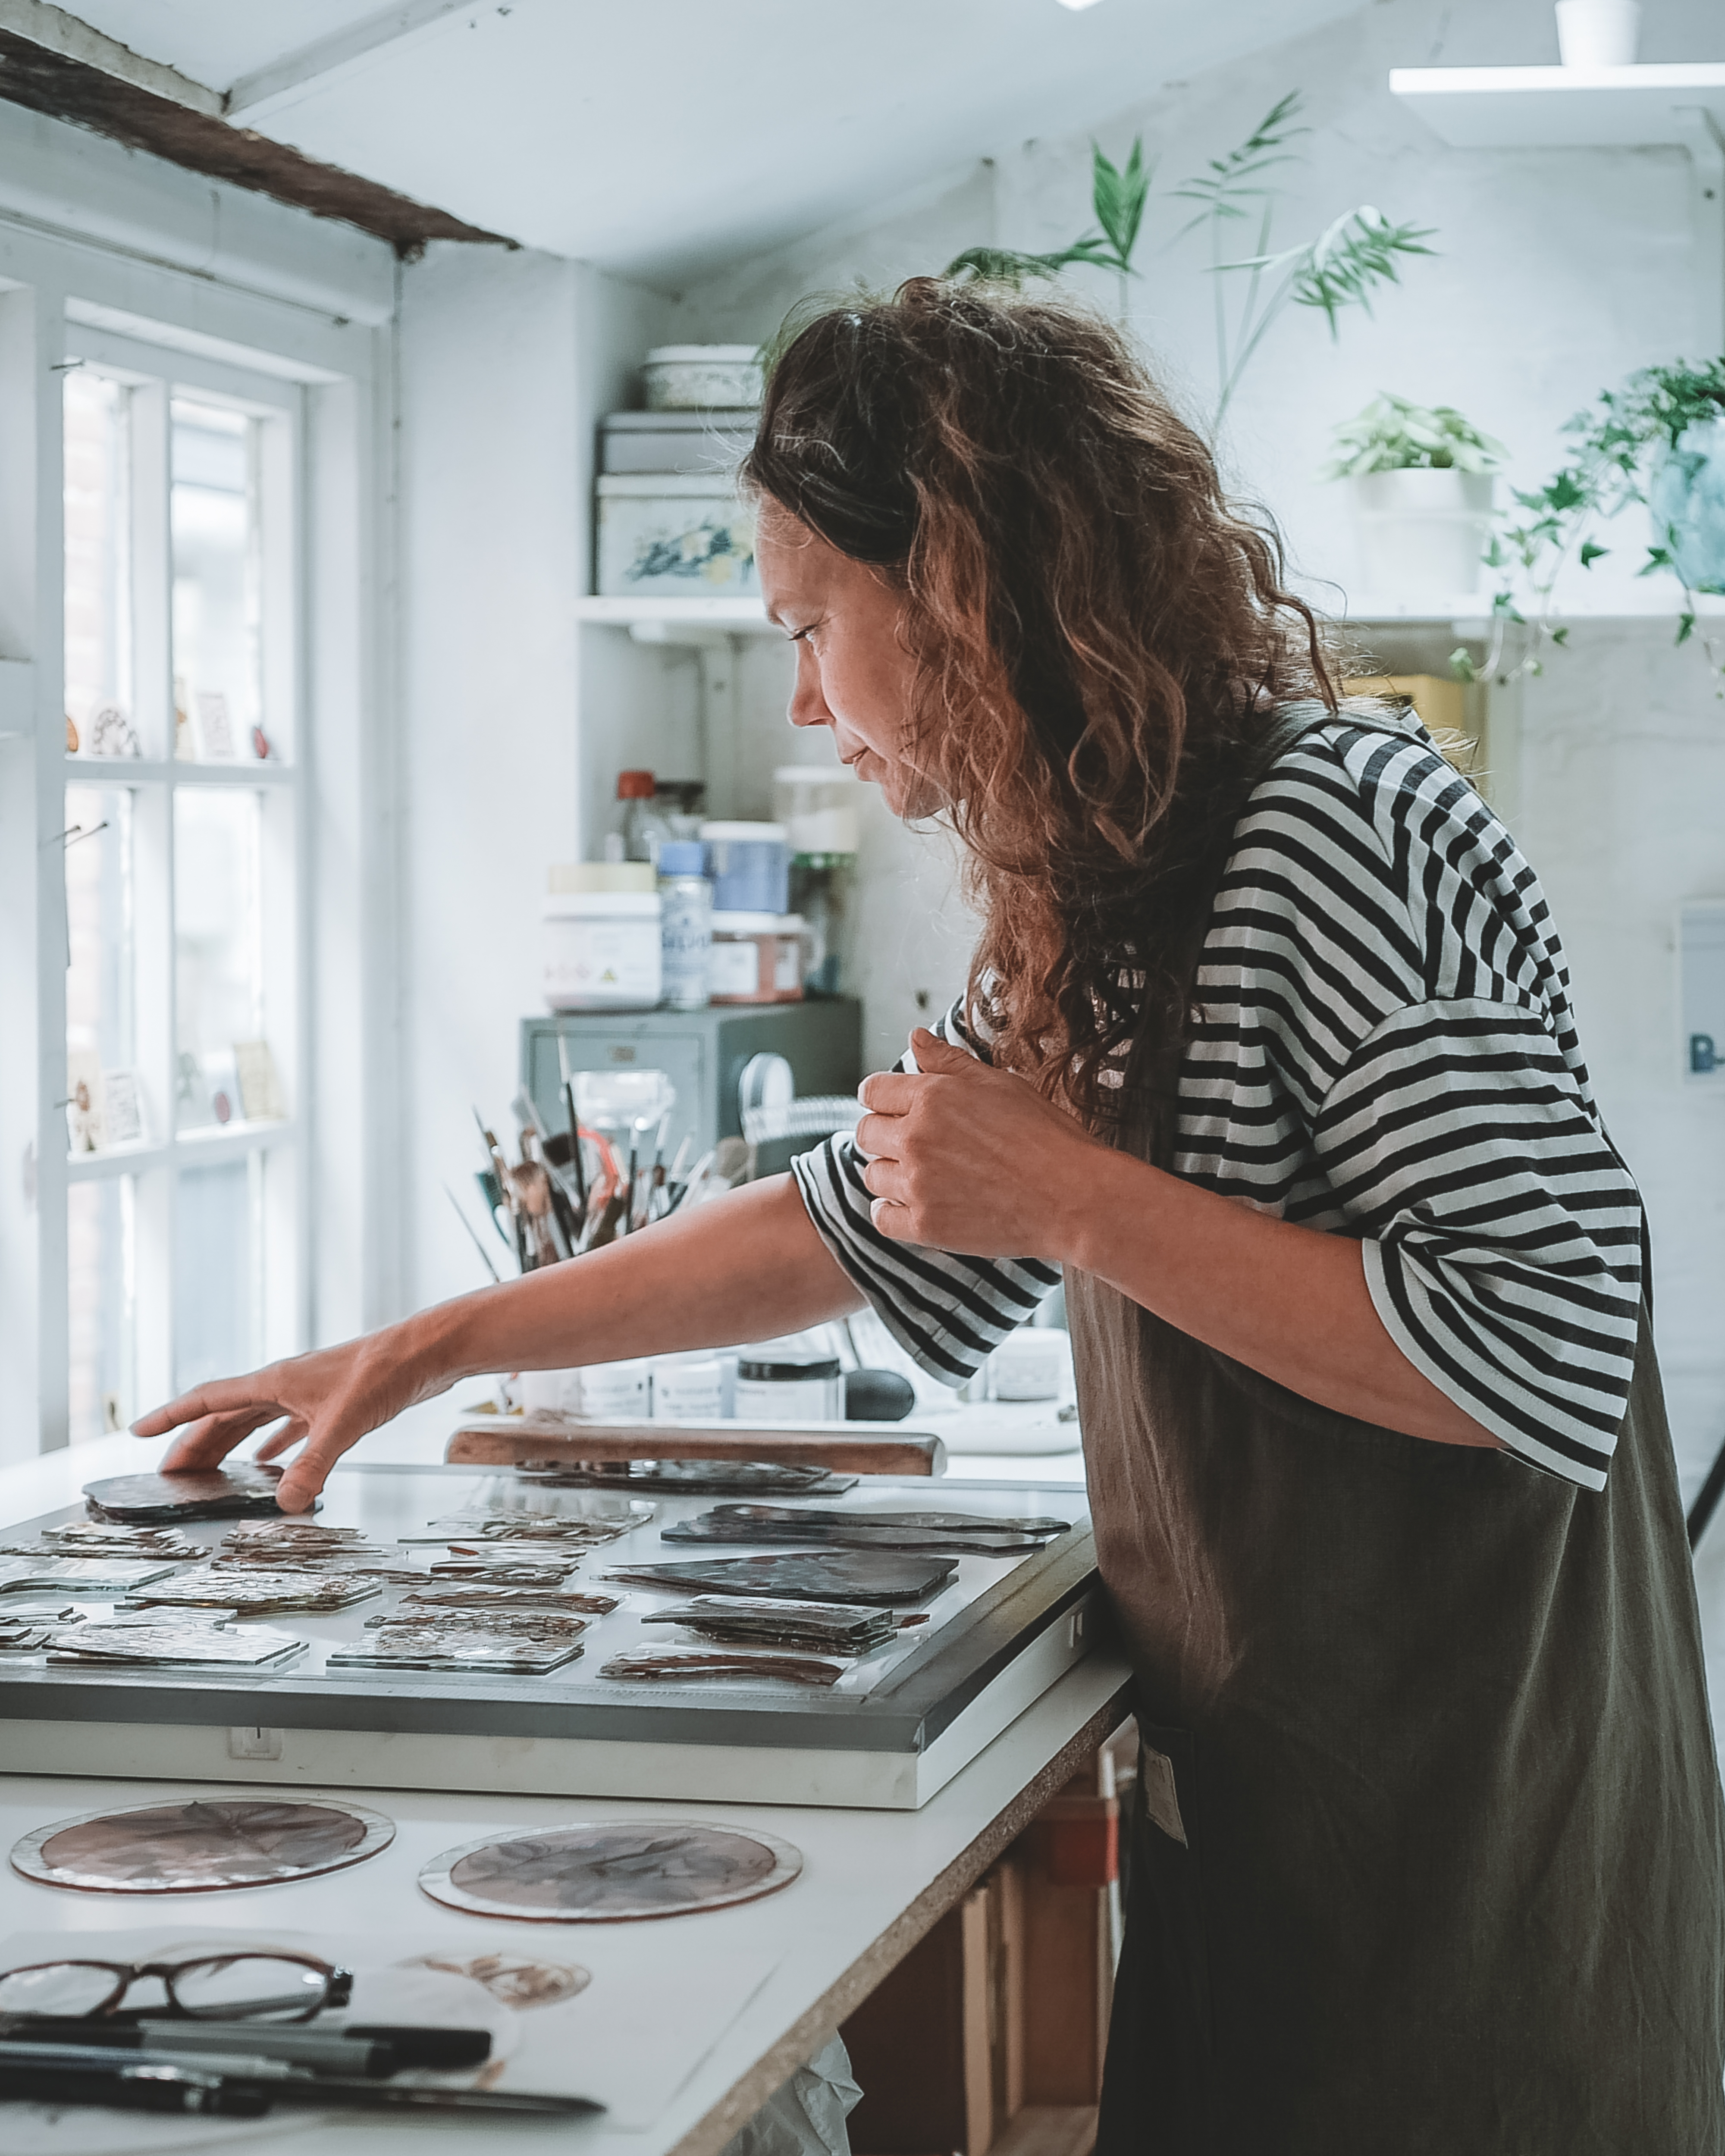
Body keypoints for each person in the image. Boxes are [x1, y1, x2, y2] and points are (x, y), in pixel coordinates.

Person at [137, 282, 1725, 2152]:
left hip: (1475, 1841)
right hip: (1281, 1809)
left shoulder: (1334, 826)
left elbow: (1527, 1336)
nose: (802, 699)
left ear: (967, 585)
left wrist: (1070, 1194)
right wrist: (427, 1345)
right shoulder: (1108, 871)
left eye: (812, 624)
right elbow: (849, 1221)